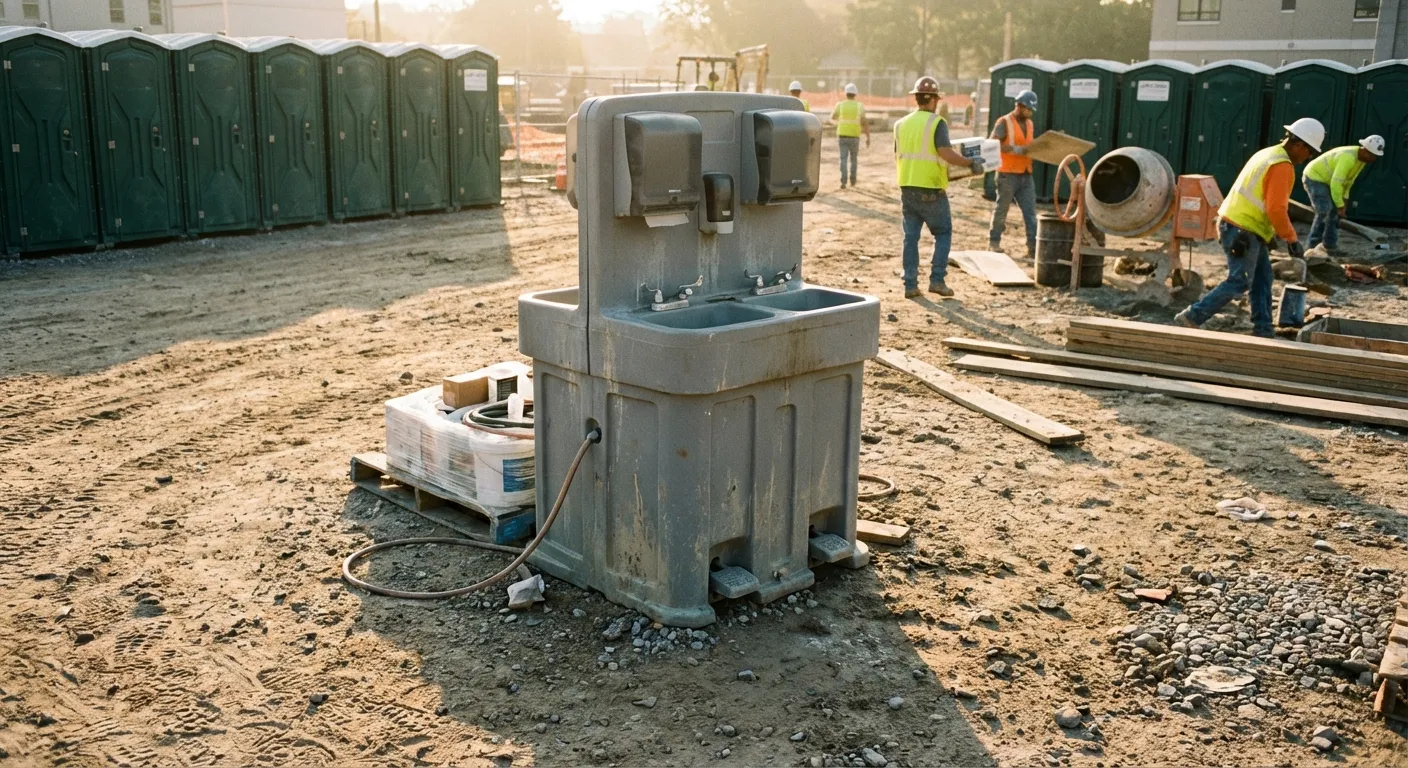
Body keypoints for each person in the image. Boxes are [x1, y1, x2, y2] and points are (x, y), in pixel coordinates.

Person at [1175, 118, 1325, 338]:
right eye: (1310, 151)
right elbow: (1276, 209)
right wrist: (1291, 240)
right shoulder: (1282, 166)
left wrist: (1269, 234)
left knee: (1263, 277)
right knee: (1239, 280)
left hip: (1237, 224)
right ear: (1299, 144)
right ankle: (1192, 316)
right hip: (1243, 230)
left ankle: (1263, 328)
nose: (1308, 157)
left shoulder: (1267, 154)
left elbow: (1260, 198)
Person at [894, 75, 986, 299]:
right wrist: (969, 164)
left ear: (916, 98)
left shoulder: (900, 124)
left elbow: (899, 154)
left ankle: (910, 285)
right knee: (943, 233)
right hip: (932, 190)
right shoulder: (937, 123)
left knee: (911, 237)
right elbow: (945, 152)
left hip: (907, 187)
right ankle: (936, 280)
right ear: (934, 100)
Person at [1303, 134, 1384, 253]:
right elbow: (1336, 184)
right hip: (1315, 177)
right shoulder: (1348, 158)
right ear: (1366, 151)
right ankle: (1311, 247)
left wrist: (1344, 201)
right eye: (1374, 156)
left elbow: (1348, 181)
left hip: (1328, 180)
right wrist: (1340, 205)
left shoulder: (1361, 160)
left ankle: (1329, 245)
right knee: (1324, 210)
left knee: (1335, 213)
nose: (1375, 159)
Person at [988, 89, 1040, 259]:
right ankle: (994, 242)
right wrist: (1014, 149)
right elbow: (992, 144)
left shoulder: (1030, 124)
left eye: (1032, 110)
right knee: (1001, 210)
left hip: (1025, 174)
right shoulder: (1004, 122)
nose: (1030, 113)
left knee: (1030, 213)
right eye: (1028, 109)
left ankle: (1033, 249)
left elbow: (1029, 145)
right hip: (1007, 174)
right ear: (1019, 105)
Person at [830, 83, 870, 188]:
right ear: (855, 94)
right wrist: (868, 137)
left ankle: (843, 181)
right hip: (855, 136)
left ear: (846, 93)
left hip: (842, 135)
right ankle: (853, 180)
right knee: (853, 159)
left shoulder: (840, 105)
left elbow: (833, 117)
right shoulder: (859, 106)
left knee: (843, 159)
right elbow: (864, 122)